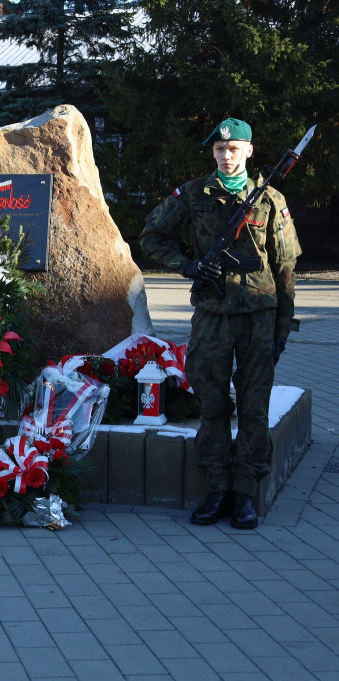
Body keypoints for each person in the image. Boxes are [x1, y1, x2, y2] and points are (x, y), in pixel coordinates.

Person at [140, 117, 301, 530]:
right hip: (211, 318)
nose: (226, 156)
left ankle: (244, 493)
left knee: (253, 408)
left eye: (234, 149)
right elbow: (151, 237)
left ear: (249, 150)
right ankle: (217, 488)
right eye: (219, 150)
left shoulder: (270, 200)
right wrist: (189, 265)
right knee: (211, 406)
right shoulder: (193, 193)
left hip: (258, 319)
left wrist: (283, 326)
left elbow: (285, 269)